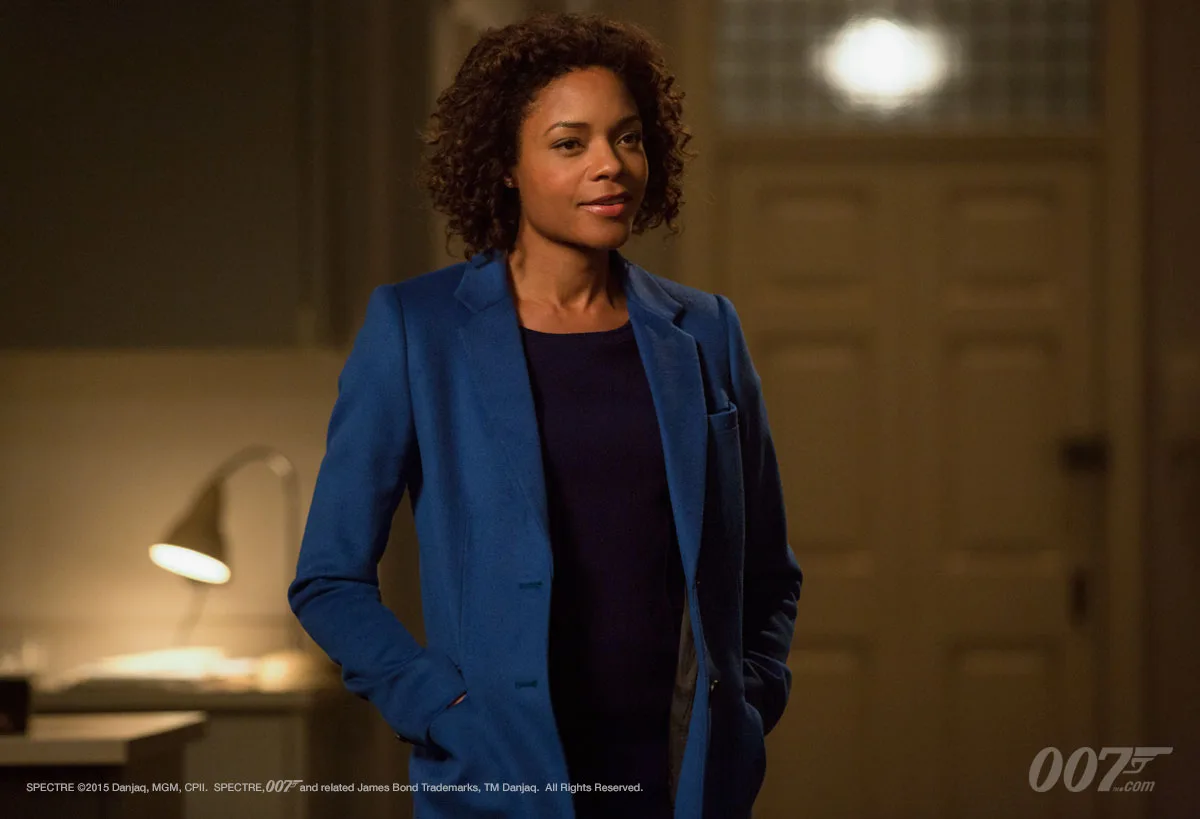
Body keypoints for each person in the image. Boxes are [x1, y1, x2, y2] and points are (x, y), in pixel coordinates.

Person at [288, 11, 802, 819]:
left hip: (683, 777)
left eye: (628, 138)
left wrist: (751, 696)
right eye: (571, 143)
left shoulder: (706, 330)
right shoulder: (418, 330)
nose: (611, 165)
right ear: (505, 164)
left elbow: (767, 569)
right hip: (500, 773)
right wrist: (439, 707)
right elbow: (328, 578)